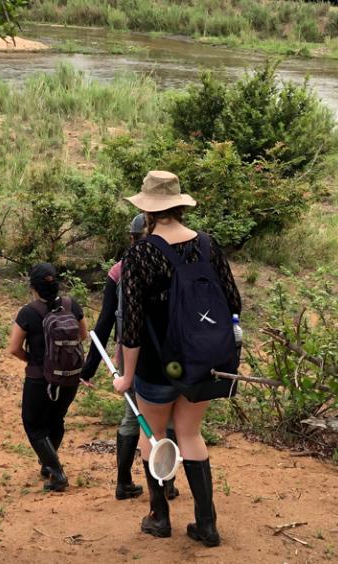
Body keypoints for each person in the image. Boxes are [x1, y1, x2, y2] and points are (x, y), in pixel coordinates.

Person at [113, 171, 241, 547]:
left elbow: (132, 328)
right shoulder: (207, 244)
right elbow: (233, 302)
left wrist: (126, 376)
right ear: (180, 206)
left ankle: (159, 516)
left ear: (148, 210)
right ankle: (207, 524)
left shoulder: (140, 254)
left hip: (157, 363)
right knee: (189, 433)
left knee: (152, 436)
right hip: (200, 361)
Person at [81, 214, 178, 501]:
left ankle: (124, 482)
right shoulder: (172, 264)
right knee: (169, 419)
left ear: (132, 238)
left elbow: (105, 322)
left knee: (132, 417)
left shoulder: (120, 270)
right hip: (171, 353)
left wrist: (88, 368)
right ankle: (167, 482)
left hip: (131, 354)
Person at [7, 263, 87, 492]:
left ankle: (57, 472)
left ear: (33, 287)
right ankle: (49, 465)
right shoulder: (72, 305)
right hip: (69, 377)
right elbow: (82, 335)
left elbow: (14, 348)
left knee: (33, 425)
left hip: (40, 379)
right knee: (56, 421)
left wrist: (33, 360)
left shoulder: (29, 312)